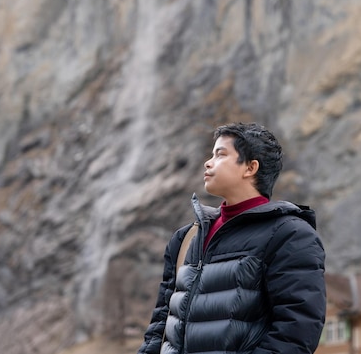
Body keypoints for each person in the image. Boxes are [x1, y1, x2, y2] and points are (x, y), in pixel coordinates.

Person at [137, 122, 326, 354]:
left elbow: (296, 331)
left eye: (220, 154)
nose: (208, 162)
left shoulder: (290, 235)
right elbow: (161, 324)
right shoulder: (186, 238)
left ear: (250, 168)